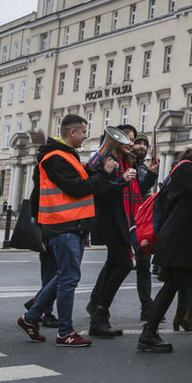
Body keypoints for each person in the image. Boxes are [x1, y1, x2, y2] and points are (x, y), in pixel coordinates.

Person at [18, 114, 118, 347]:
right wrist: (105, 174)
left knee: (63, 277)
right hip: (64, 225)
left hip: (72, 225)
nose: (85, 136)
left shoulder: (66, 155)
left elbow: (82, 179)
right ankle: (65, 332)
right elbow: (78, 188)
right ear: (72, 133)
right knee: (68, 279)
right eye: (84, 132)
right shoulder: (55, 158)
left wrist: (98, 168)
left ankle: (30, 318)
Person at [137, 136, 192, 354]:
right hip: (180, 240)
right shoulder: (187, 169)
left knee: (175, 285)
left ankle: (150, 334)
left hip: (184, 240)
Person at [84, 127, 140, 338]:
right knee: (124, 264)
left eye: (132, 140)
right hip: (111, 221)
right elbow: (99, 192)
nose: (130, 144)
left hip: (122, 220)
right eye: (127, 139)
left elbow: (133, 190)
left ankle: (98, 309)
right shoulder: (108, 161)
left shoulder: (127, 162)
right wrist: (121, 180)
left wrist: (147, 174)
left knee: (114, 264)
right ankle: (100, 313)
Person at [126, 129, 160, 321]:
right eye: (139, 143)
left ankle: (147, 307)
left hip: (139, 220)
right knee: (119, 265)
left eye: (145, 144)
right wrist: (152, 175)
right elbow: (138, 191)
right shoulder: (129, 166)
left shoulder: (143, 167)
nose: (143, 147)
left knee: (143, 262)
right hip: (129, 219)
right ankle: (98, 303)